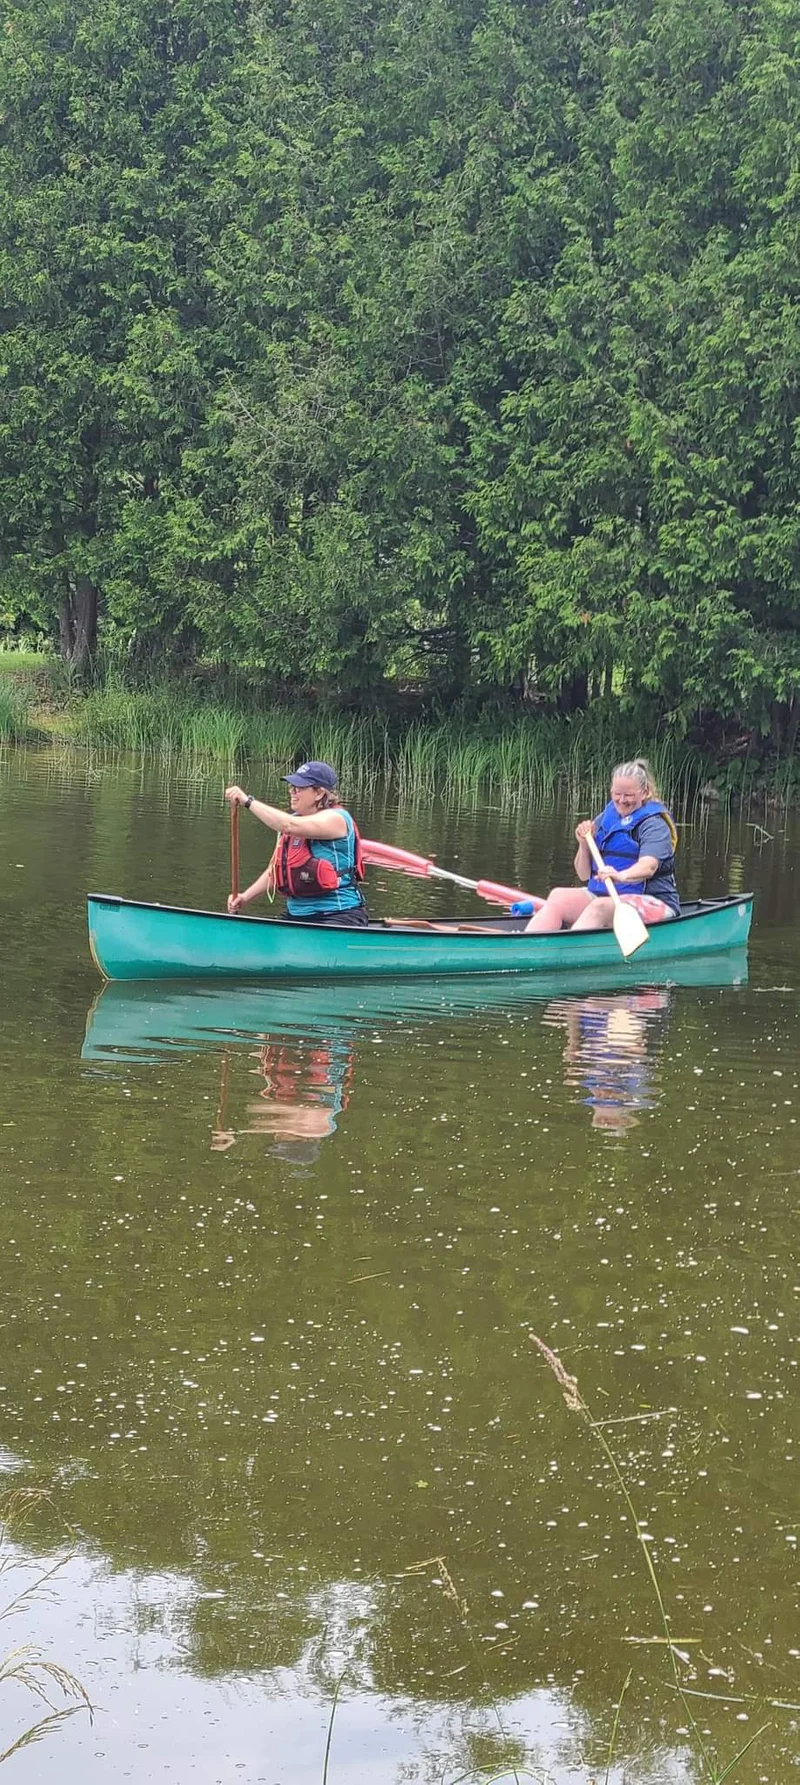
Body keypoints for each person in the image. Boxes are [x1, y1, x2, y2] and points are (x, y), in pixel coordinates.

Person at [525, 758, 679, 934]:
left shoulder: (654, 825)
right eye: (616, 794)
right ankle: (527, 946)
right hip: (608, 898)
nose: (621, 800)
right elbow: (583, 874)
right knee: (558, 896)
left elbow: (648, 867)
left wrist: (620, 875)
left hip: (655, 901)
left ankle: (568, 952)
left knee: (600, 906)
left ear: (644, 793)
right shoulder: (606, 819)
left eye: (628, 795)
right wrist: (583, 844)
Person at [224, 761, 368, 926]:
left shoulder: (337, 819)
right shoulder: (294, 820)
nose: (292, 792)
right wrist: (245, 897)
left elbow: (287, 826)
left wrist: (248, 801)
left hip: (338, 915)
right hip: (297, 916)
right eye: (291, 787)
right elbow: (275, 870)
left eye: (299, 788)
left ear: (319, 793)